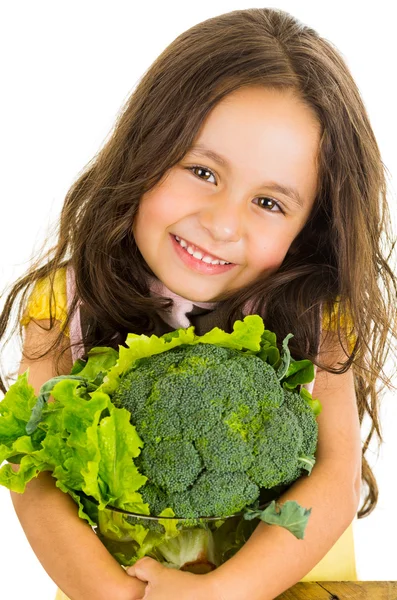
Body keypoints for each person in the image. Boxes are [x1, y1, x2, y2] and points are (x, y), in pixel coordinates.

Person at [0, 7, 396, 600]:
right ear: (145, 150)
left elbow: (334, 479)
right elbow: (34, 479)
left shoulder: (320, 318)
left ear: (310, 227)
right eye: (202, 171)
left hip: (295, 584)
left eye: (269, 203)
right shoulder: (62, 305)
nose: (221, 224)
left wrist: (222, 593)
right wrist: (116, 593)